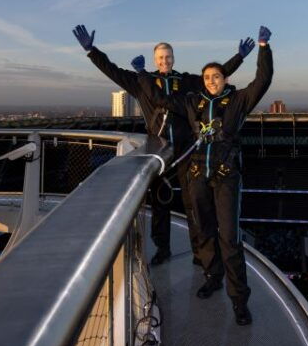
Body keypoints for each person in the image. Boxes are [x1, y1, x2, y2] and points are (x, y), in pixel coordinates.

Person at [73, 24, 253, 265]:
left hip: (187, 150)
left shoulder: (186, 81)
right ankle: (162, 249)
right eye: (160, 57)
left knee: (194, 204)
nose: (165, 61)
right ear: (155, 60)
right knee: (160, 202)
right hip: (159, 151)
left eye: (168, 56)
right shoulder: (142, 81)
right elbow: (113, 71)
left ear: (173, 58)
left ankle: (200, 254)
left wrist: (239, 57)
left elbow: (215, 77)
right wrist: (92, 51)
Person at [138, 26, 272, 325]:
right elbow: (161, 100)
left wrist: (263, 48)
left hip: (225, 177)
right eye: (207, 77)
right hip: (198, 174)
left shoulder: (237, 101)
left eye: (217, 76)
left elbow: (263, 80)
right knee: (205, 231)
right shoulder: (192, 101)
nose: (212, 81)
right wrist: (144, 76)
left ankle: (239, 300)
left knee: (229, 237)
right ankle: (212, 278)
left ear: (225, 79)